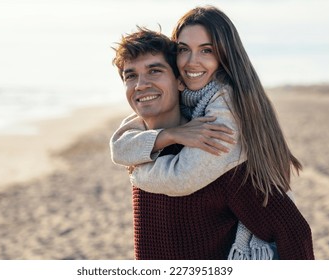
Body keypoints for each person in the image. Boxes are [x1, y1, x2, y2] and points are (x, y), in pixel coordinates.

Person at [111, 6, 314, 260]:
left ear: (179, 81)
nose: (141, 85)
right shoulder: (144, 146)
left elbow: (295, 232)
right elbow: (119, 143)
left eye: (155, 71)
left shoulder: (214, 144)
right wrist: (169, 136)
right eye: (131, 76)